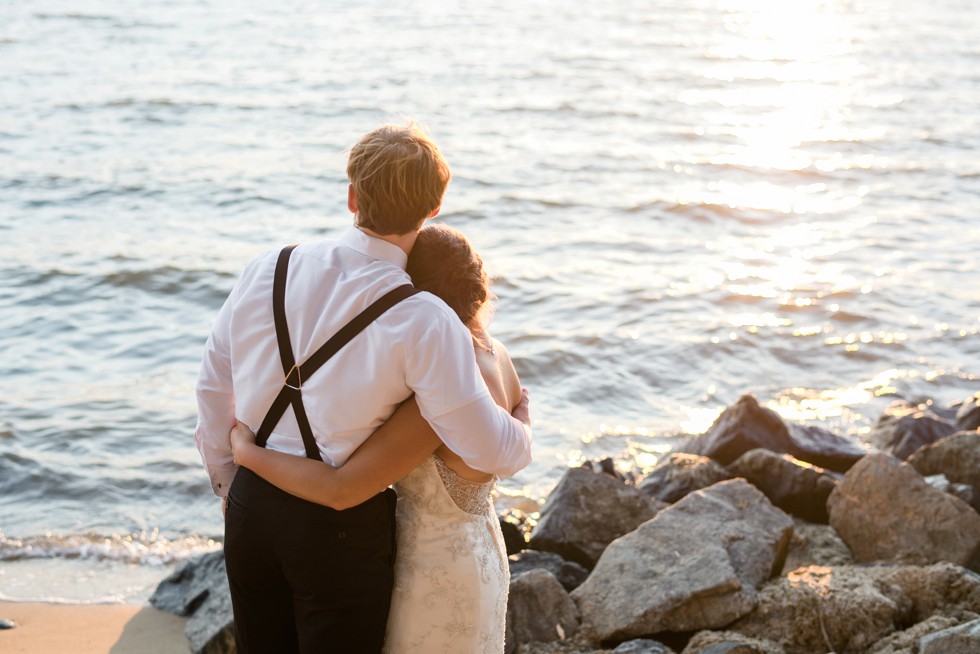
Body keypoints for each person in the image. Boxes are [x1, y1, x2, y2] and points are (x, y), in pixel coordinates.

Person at [194, 124, 532, 654]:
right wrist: (523, 420)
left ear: (352, 196)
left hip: (250, 508)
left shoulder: (270, 266)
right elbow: (496, 451)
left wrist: (228, 482)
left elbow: (214, 383)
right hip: (337, 531)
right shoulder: (426, 319)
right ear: (435, 208)